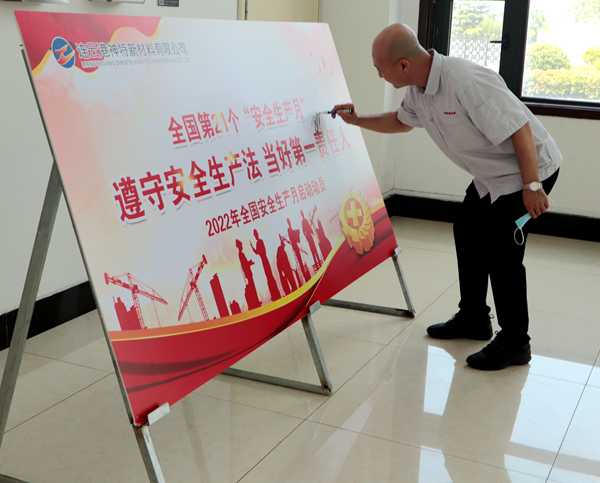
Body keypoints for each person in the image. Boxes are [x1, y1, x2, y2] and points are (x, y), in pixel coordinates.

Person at [331, 23, 562, 371]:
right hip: (493, 175)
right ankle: (474, 317)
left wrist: (532, 187)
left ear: (404, 65)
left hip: (530, 170)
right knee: (467, 229)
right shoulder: (418, 89)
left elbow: (519, 127)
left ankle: (516, 341)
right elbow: (401, 121)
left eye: (380, 68)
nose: (379, 74)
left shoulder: (465, 81)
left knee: (502, 249)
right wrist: (357, 120)